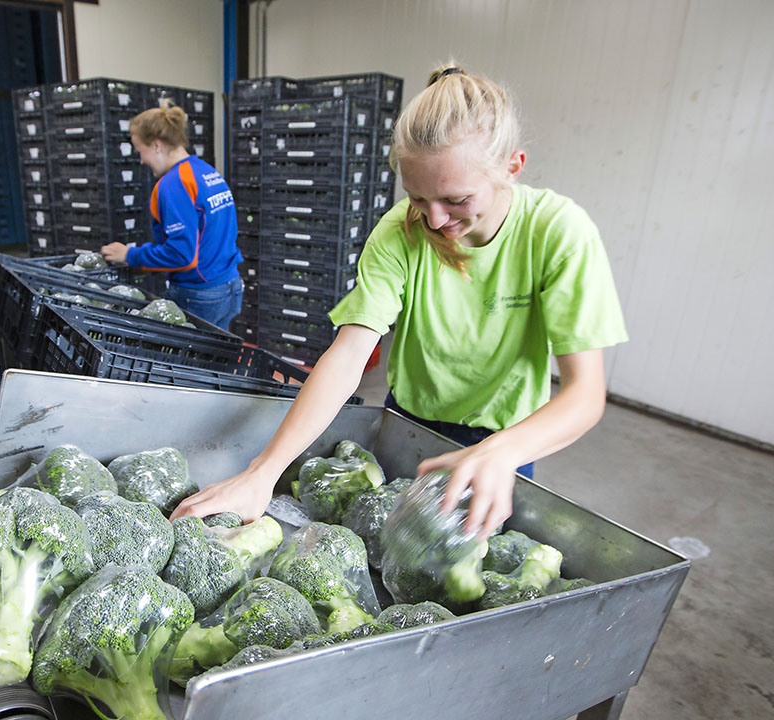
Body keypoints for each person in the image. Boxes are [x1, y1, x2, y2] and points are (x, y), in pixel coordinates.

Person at [171, 64, 628, 539]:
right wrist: (261, 473)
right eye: (417, 197)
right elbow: (348, 354)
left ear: (513, 167)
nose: (433, 219)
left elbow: (584, 394)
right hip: (406, 424)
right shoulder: (399, 230)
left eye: (456, 199)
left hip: (506, 441)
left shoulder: (557, 232)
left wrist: (503, 451)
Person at [100, 101, 244, 330]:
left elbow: (182, 255)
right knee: (215, 361)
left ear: (157, 145)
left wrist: (130, 255)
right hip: (228, 286)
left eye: (140, 151)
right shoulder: (206, 171)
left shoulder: (174, 185)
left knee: (185, 363)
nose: (141, 160)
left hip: (198, 294)